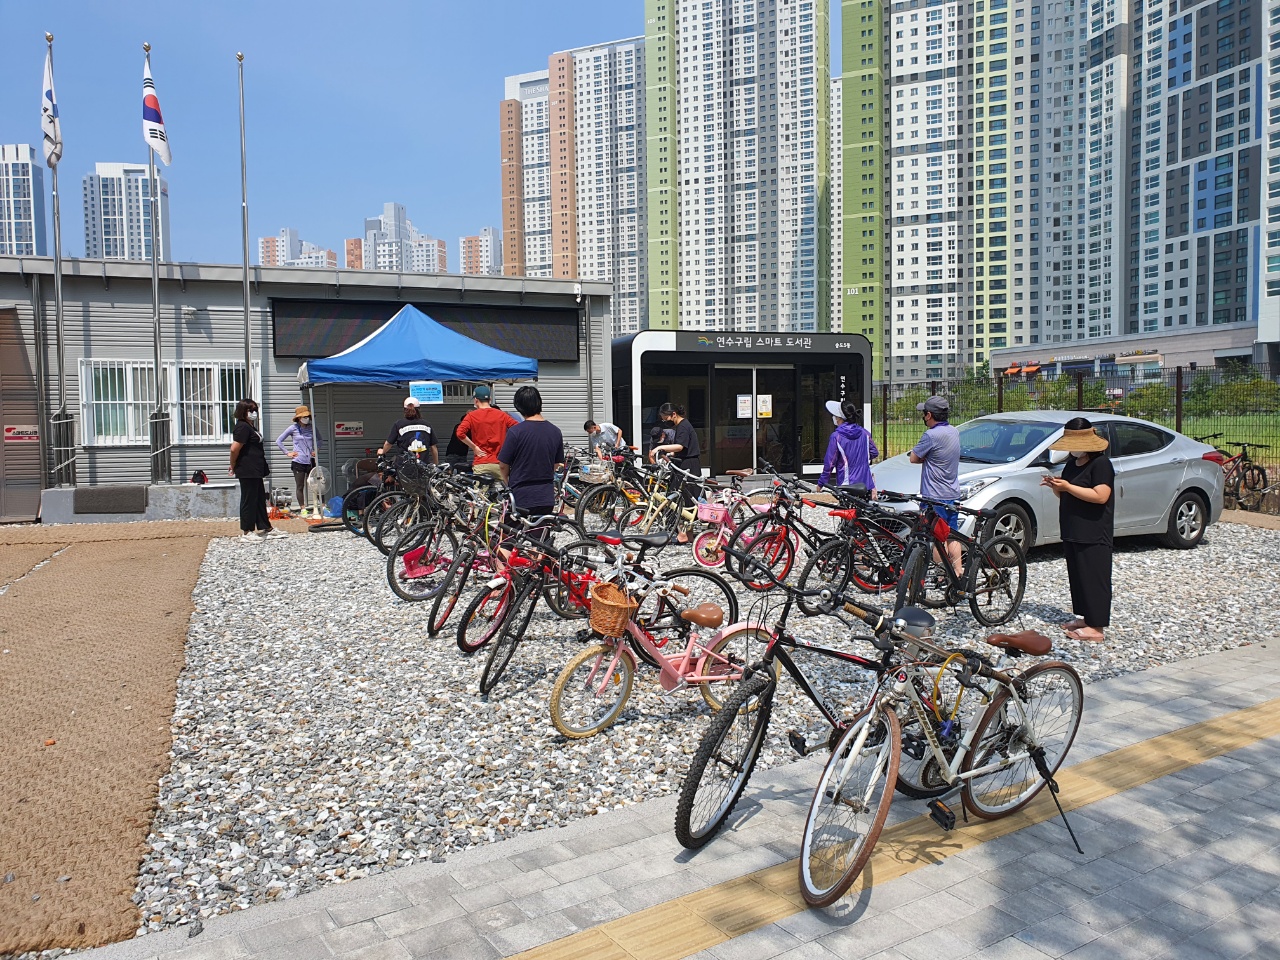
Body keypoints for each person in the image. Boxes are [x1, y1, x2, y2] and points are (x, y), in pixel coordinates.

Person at [1042, 418, 1114, 643]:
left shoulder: (1101, 465)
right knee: (1079, 576)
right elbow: (1066, 494)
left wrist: (1069, 487)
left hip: (1094, 530)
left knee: (1094, 577)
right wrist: (1058, 487)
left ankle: (1097, 627)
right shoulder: (1072, 464)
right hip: (1073, 527)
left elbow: (1101, 496)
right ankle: (1086, 617)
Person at [497, 386, 564, 539]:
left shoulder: (516, 432)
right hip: (546, 494)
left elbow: (503, 464)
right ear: (540, 403)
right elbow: (556, 464)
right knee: (540, 542)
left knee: (507, 540)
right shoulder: (555, 431)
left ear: (518, 407)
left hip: (521, 494)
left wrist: (507, 482)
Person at [909, 395, 962, 576]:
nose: (923, 417)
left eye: (924, 414)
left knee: (937, 537)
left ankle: (941, 574)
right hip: (952, 492)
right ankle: (957, 571)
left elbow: (913, 458)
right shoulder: (954, 431)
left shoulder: (931, 435)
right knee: (952, 534)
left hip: (934, 495)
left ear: (929, 415)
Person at [229, 398, 285, 541]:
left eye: (255, 410)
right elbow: (234, 449)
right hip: (247, 468)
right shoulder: (242, 427)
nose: (253, 413)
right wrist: (233, 465)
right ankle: (247, 531)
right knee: (249, 499)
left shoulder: (251, 427)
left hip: (256, 468)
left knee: (259, 498)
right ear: (243, 411)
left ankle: (265, 527)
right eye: (250, 410)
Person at [648, 402, 701, 543]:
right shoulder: (682, 425)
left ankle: (683, 535)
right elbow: (683, 448)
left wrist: (660, 448)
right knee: (685, 499)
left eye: (665, 418)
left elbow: (680, 446)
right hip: (686, 463)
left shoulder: (683, 426)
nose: (664, 421)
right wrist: (670, 455)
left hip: (687, 465)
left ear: (673, 414)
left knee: (680, 498)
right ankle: (687, 534)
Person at [818, 399, 878, 495]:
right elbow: (874, 452)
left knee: (847, 510)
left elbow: (830, 464)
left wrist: (821, 483)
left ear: (839, 418)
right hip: (866, 484)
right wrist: (860, 458)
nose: (834, 417)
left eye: (835, 415)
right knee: (863, 509)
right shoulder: (864, 433)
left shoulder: (836, 436)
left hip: (847, 485)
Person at [458, 385, 518, 479]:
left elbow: (460, 433)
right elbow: (518, 428)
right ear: (490, 399)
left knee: (481, 493)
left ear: (476, 400)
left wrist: (474, 447)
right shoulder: (502, 415)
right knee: (504, 492)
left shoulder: (471, 416)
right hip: (500, 463)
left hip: (481, 463)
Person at [276, 405, 322, 516]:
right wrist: (288, 453)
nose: (307, 418)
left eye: (308, 416)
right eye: (304, 416)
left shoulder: (312, 427)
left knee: (317, 483)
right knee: (300, 485)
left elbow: (320, 439)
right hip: (298, 461)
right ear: (299, 418)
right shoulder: (293, 428)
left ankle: (322, 506)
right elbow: (279, 441)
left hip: (310, 460)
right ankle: (303, 508)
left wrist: (317, 450)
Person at [379, 397, 438, 463]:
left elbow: (388, 444)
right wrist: (436, 464)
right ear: (419, 409)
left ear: (404, 410)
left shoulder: (399, 424)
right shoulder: (427, 425)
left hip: (404, 468)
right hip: (423, 467)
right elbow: (433, 448)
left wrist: (383, 451)